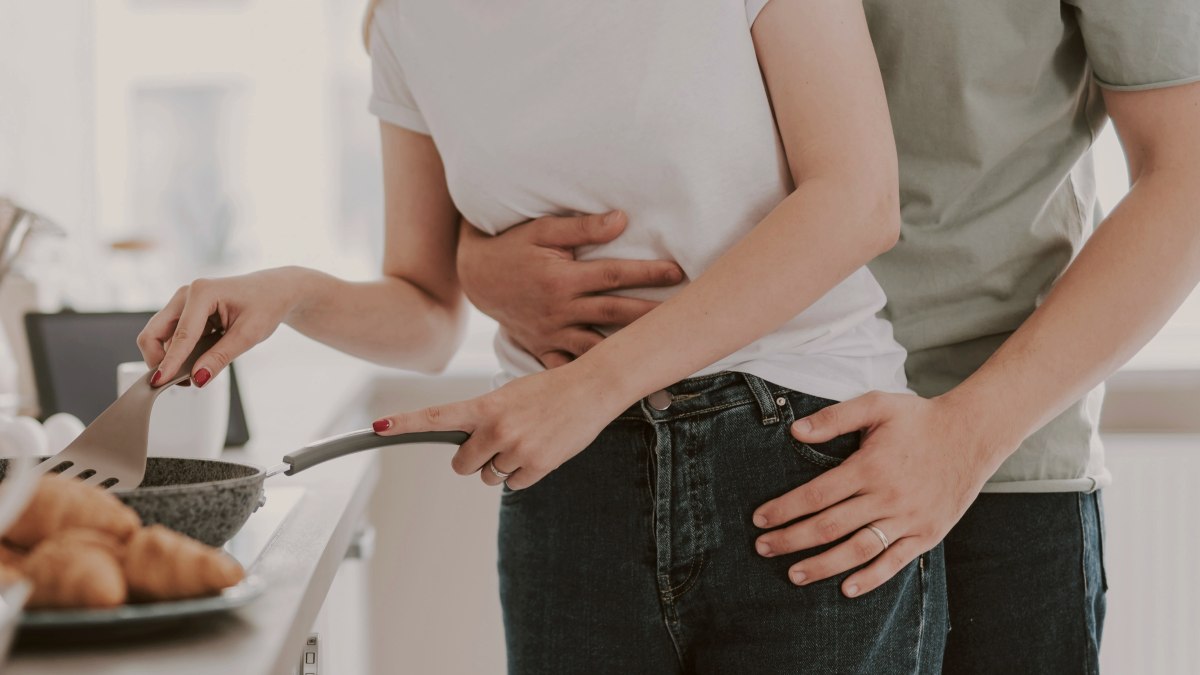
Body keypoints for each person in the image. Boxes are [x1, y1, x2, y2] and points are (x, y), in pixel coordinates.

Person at [139, 0, 950, 672]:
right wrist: (289, 293)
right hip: (571, 491)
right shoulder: (405, 23)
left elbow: (857, 197)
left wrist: (589, 388)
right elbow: (424, 309)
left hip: (797, 455)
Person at [452, 3, 1200, 674]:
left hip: (985, 467)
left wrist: (968, 435)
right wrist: (475, 260)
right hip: (679, 440)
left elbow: (1185, 176)